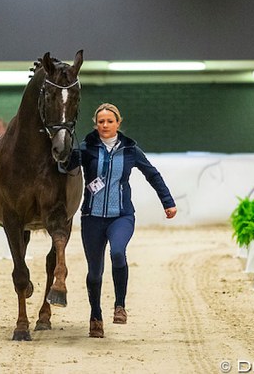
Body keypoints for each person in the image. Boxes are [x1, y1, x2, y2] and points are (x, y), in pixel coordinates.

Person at [79, 103, 177, 338]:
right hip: (91, 218)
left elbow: (152, 174)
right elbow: (64, 169)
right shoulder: (85, 148)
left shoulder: (130, 150)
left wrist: (168, 201)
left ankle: (120, 305)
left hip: (121, 216)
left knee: (117, 253)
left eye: (109, 121)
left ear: (118, 123)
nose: (105, 125)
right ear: (96, 124)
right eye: (101, 121)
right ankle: (95, 316)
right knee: (94, 273)